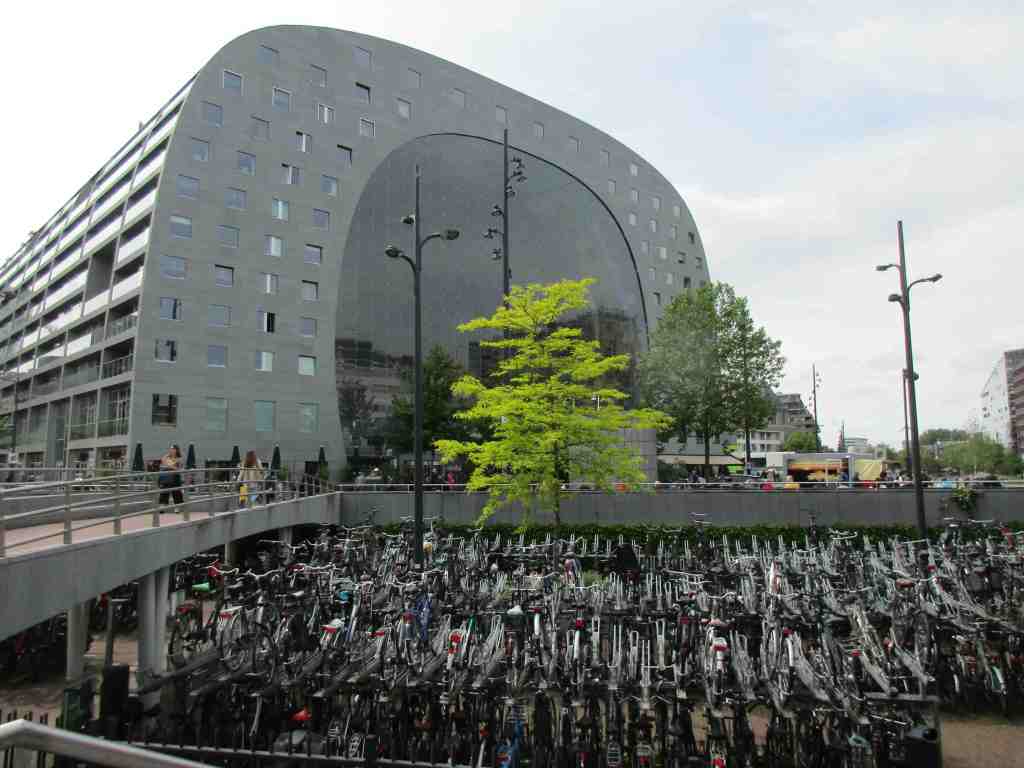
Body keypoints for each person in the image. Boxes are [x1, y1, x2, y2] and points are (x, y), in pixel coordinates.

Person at [158, 445, 184, 510]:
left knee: (176, 492)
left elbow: (178, 468)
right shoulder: (167, 457)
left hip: (175, 476)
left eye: (173, 449)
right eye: (171, 449)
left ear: (177, 450)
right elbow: (162, 461)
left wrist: (169, 466)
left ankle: (177, 507)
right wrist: (167, 456)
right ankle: (162, 506)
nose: (171, 450)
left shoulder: (179, 458)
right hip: (167, 476)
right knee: (164, 491)